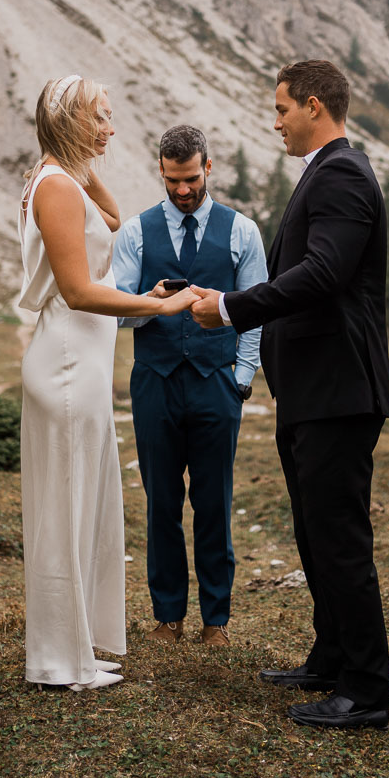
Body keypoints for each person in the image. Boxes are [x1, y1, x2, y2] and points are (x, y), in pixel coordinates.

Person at [190, 60, 389, 729]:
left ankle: (365, 692)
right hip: (312, 391)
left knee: (339, 539)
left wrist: (231, 309)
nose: (274, 121)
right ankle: (331, 658)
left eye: (280, 109)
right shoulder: (326, 173)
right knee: (314, 533)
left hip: (338, 390)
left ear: (313, 106)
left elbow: (325, 272)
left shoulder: (340, 172)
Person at [18, 75, 197, 691]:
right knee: (66, 511)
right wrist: (159, 308)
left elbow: (114, 220)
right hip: (68, 362)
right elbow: (77, 290)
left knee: (81, 506)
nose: (111, 129)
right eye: (100, 117)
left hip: (79, 363)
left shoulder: (61, 179)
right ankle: (58, 661)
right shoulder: (57, 187)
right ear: (70, 120)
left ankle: (74, 646)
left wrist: (78, 157)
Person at [112, 125, 267, 646]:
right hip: (154, 383)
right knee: (161, 502)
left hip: (215, 383)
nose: (183, 190)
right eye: (175, 179)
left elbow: (257, 313)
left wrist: (241, 380)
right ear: (161, 170)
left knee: (214, 501)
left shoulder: (242, 230)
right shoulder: (135, 232)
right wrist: (152, 302)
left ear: (208, 168)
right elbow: (117, 315)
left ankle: (216, 620)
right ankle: (167, 615)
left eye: (192, 179)